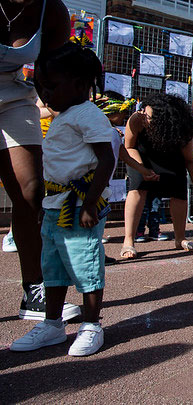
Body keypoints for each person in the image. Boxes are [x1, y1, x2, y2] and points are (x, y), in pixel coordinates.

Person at [0, 0, 79, 320]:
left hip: (12, 95)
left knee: (30, 192)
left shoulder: (54, 11)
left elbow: (54, 74)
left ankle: (34, 290)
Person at [11, 41, 115, 355]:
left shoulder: (88, 115)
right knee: (52, 266)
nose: (44, 94)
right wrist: (45, 204)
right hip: (55, 206)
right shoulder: (64, 114)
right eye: (40, 87)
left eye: (51, 86)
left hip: (79, 207)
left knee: (86, 265)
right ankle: (52, 324)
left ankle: (91, 325)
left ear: (80, 85)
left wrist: (88, 205)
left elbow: (106, 160)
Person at [121, 94, 193, 259]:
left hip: (171, 159)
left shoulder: (182, 130)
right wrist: (143, 169)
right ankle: (128, 241)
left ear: (164, 121)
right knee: (137, 188)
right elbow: (129, 147)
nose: (143, 116)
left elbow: (190, 161)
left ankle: (180, 238)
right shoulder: (137, 119)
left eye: (149, 116)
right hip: (140, 156)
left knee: (179, 190)